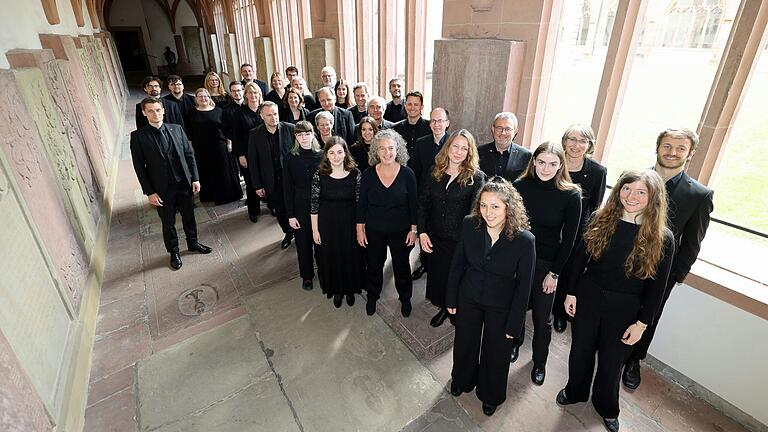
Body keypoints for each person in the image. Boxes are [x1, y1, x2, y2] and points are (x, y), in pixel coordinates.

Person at [557, 169, 675, 432]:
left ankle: (606, 407)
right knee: (580, 351)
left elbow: (658, 288)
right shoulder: (601, 219)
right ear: (618, 189)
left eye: (641, 192)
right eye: (626, 189)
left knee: (612, 363)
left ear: (653, 197)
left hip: (626, 308)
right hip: (589, 297)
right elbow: (579, 260)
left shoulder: (662, 237)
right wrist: (571, 292)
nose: (631, 196)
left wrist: (642, 324)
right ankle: (574, 390)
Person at [622, 128, 714, 390]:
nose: (672, 152)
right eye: (667, 146)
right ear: (658, 147)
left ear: (690, 154)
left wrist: (675, 275)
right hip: (624, 263)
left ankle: (633, 361)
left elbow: (692, 242)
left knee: (648, 317)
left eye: (680, 148)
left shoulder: (699, 195)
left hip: (659, 272)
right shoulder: (634, 179)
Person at [446, 178, 535, 417]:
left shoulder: (525, 240)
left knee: (496, 352)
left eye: (495, 206)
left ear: (509, 207)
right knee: (465, 341)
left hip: (502, 304)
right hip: (470, 295)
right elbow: (457, 264)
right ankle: (462, 379)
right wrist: (451, 299)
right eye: (484, 205)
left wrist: (515, 323)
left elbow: (524, 286)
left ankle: (490, 394)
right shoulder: (469, 225)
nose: (488, 212)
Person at [511, 142, 581, 385]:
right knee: (517, 307)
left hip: (547, 263)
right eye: (541, 162)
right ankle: (515, 342)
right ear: (534, 161)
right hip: (519, 258)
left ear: (561, 165)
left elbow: (569, 240)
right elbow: (512, 226)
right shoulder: (520, 186)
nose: (546, 168)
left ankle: (539, 361)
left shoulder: (571, 194)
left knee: (542, 317)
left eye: (553, 163)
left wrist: (555, 273)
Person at [130, 97, 212, 270]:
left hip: (183, 182)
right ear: (144, 113)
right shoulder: (138, 137)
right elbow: (139, 167)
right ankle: (174, 251)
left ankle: (193, 242)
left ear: (163, 110)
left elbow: (189, 155)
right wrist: (150, 192)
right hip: (161, 188)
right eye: (151, 111)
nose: (155, 114)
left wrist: (195, 178)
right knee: (168, 222)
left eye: (158, 110)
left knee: (189, 216)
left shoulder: (177, 129)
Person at [417, 129, 485, 327]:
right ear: (448, 147)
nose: (458, 152)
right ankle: (444, 307)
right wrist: (421, 232)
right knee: (439, 275)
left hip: (460, 241)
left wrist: (470, 245)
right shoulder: (434, 170)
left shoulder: (476, 177)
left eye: (464, 148)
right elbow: (423, 203)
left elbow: (475, 215)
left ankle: (456, 308)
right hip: (435, 236)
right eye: (455, 146)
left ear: (469, 152)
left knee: (458, 278)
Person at [356, 129, 418, 317]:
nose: (387, 152)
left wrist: (413, 229)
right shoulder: (368, 174)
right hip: (375, 229)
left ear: (397, 150)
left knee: (401, 266)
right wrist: (360, 229)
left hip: (401, 229)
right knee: (374, 264)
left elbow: (413, 205)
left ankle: (405, 298)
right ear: (376, 151)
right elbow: (362, 205)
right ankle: (373, 295)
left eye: (391, 148)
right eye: (382, 148)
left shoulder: (408, 174)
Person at [552, 124, 608, 333]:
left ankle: (559, 312)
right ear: (564, 141)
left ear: (589, 145)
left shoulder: (597, 172)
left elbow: (595, 207)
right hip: (551, 228)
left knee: (567, 273)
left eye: (582, 141)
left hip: (577, 233)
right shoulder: (554, 163)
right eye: (572, 139)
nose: (576, 145)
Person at [311, 137, 364, 307]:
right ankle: (336, 291)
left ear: (345, 153)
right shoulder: (320, 174)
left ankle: (350, 289)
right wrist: (315, 230)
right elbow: (314, 204)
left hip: (350, 223)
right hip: (327, 224)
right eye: (331, 153)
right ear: (326, 155)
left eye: (339, 152)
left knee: (351, 256)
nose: (336, 156)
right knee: (331, 257)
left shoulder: (355, 173)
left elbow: (360, 203)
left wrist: (361, 228)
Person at [409, 107, 451, 281]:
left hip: (446, 200)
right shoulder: (422, 143)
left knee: (440, 236)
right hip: (426, 198)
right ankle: (424, 264)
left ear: (447, 123)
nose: (436, 124)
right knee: (424, 232)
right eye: (433, 121)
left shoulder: (454, 143)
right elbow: (415, 172)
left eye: (440, 121)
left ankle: (436, 267)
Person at [248, 101, 296, 249]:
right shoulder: (255, 134)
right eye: (269, 115)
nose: (273, 117)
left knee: (295, 208)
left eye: (275, 114)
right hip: (271, 180)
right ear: (262, 116)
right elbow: (253, 162)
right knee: (280, 210)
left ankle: (301, 234)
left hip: (292, 179)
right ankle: (288, 233)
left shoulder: (291, 129)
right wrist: (257, 185)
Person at [284, 121, 324, 290]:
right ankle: (307, 275)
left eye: (307, 134)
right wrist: (290, 215)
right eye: (300, 135)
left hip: (321, 206)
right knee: (303, 242)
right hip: (299, 206)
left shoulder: (322, 155)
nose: (304, 138)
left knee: (322, 241)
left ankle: (324, 272)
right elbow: (286, 187)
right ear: (296, 137)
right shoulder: (290, 157)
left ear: (313, 134)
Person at [188, 88, 243, 205]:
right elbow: (189, 132)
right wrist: (190, 147)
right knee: (206, 172)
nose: (203, 98)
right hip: (201, 146)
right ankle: (210, 196)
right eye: (200, 96)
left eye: (205, 96)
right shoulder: (192, 113)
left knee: (223, 170)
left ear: (209, 98)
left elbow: (227, 128)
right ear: (196, 99)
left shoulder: (219, 110)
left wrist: (229, 143)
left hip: (219, 145)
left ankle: (227, 196)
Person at [233, 82, 264, 222]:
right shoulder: (240, 112)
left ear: (259, 94)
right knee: (251, 183)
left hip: (264, 152)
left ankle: (272, 205)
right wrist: (240, 155)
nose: (253, 95)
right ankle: (254, 210)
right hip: (247, 153)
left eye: (255, 92)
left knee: (267, 179)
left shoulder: (264, 110)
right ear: (245, 95)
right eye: (250, 93)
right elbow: (237, 136)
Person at [477, 112, 531, 181]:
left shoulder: (526, 156)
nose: (503, 133)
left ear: (515, 131)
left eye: (508, 129)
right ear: (493, 129)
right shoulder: (480, 152)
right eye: (499, 128)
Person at [392, 91, 431, 159]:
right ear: (405, 106)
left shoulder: (430, 127)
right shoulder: (395, 129)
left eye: (416, 104)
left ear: (422, 107)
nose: (412, 108)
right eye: (409, 104)